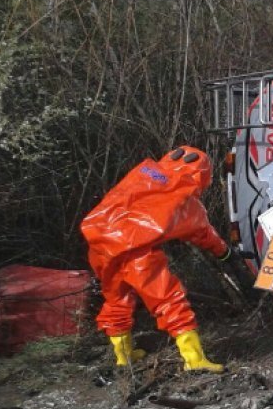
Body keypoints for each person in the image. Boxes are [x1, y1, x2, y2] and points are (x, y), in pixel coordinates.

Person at [80, 146, 233, 372]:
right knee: (169, 301)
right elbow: (203, 233)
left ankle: (123, 356)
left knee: (116, 298)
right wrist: (224, 253)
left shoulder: (144, 172)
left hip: (100, 243)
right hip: (136, 250)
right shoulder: (185, 201)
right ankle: (194, 360)